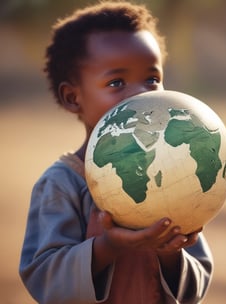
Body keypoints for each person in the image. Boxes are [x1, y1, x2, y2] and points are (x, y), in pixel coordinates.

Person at [19, 1, 213, 303]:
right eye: (117, 82)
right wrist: (108, 246)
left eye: (152, 79)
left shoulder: (176, 175)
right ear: (73, 97)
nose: (141, 93)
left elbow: (196, 286)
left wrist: (171, 254)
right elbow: (45, 281)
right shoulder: (62, 184)